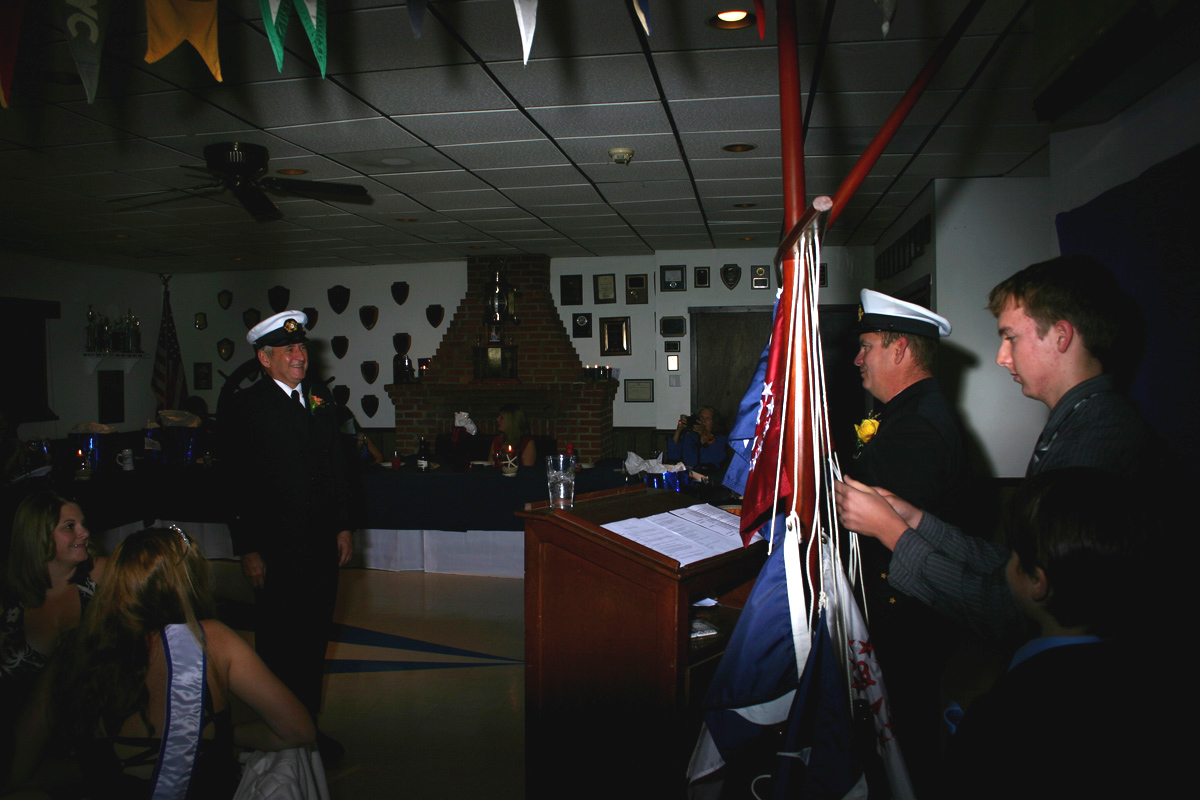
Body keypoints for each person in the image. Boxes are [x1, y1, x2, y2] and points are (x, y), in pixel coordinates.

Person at [835, 255, 1158, 639]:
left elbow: (1019, 605)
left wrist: (893, 532)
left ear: (1061, 336)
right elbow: (1015, 565)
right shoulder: (1079, 422)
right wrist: (917, 521)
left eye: (1011, 338)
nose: (1002, 357)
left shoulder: (1094, 442)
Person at [5, 527, 314, 798]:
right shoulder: (212, 640)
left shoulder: (73, 650)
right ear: (186, 585)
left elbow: (19, 774)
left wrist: (97, 766)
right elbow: (297, 731)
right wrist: (216, 735)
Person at [946, 468, 1156, 798]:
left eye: (1013, 553)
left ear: (1037, 582)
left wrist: (968, 730)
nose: (1007, 561)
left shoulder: (1010, 713)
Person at [843, 288, 965, 794]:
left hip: (904, 614)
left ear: (900, 350)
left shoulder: (915, 425)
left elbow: (889, 537)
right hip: (903, 606)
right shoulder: (909, 412)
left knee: (902, 741)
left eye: (866, 346)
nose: (858, 359)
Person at [224, 309, 352, 760]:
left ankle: (307, 728)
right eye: (288, 350)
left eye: (301, 347)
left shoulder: (319, 397)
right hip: (276, 549)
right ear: (265, 358)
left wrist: (342, 525)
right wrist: (248, 549)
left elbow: (335, 466)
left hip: (320, 545)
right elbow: (236, 483)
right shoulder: (247, 407)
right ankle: (279, 731)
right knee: (280, 644)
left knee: (314, 640)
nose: (300, 356)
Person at [2, 492, 106, 702]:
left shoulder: (102, 574)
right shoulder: (8, 597)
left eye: (83, 524)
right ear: (38, 536)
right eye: (69, 526)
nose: (85, 533)